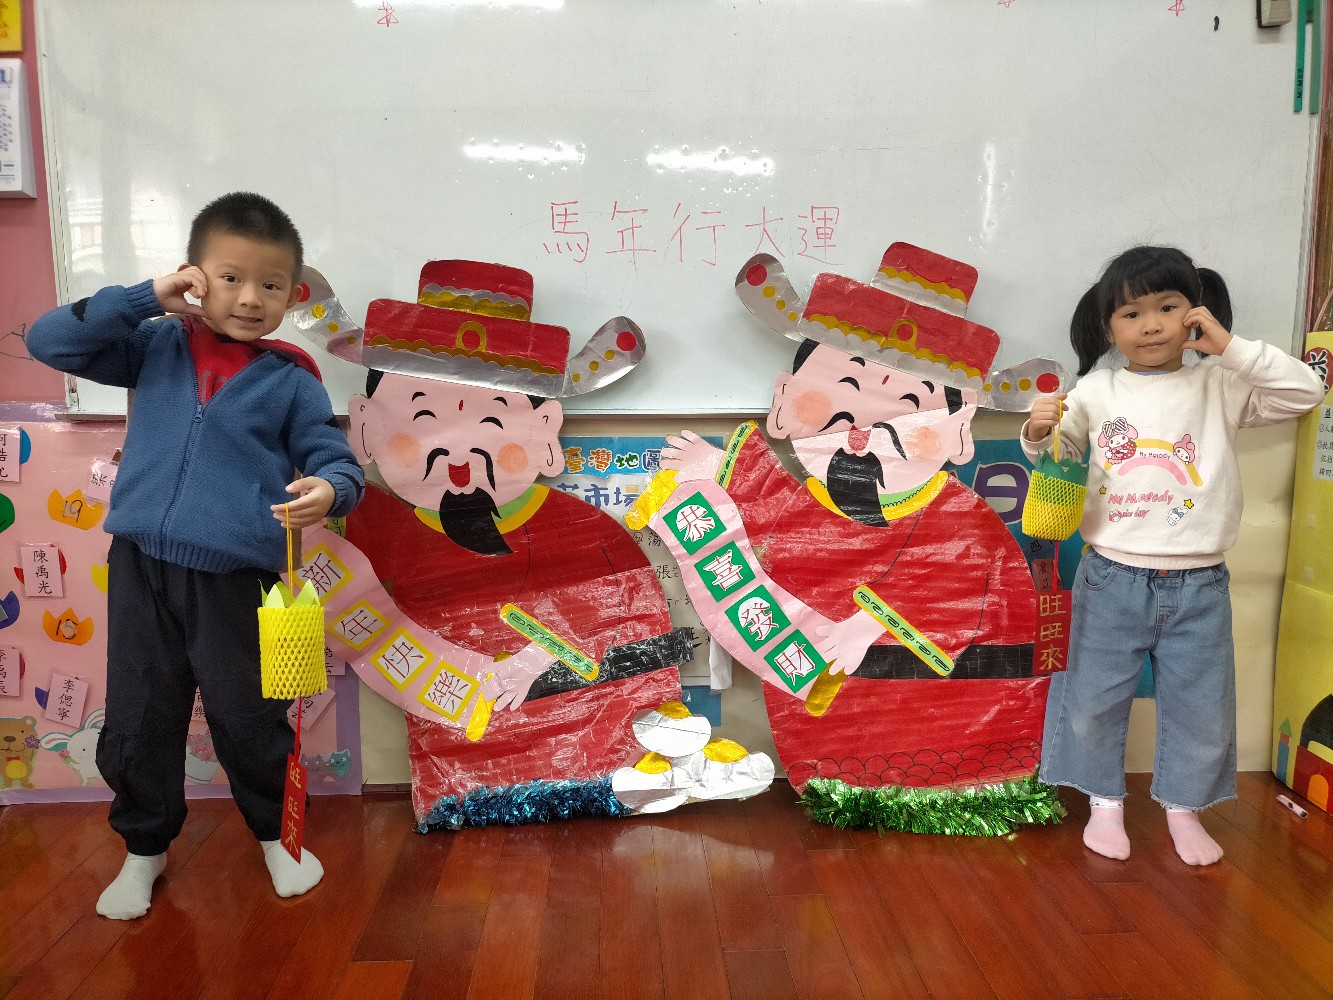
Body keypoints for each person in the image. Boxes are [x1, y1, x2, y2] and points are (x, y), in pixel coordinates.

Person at [27, 192, 365, 917]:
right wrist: (144, 298)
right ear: (194, 277)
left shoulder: (290, 377)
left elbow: (332, 457)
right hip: (140, 565)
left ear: (292, 296)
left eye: (271, 285)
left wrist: (330, 489)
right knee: (141, 712)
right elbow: (50, 342)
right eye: (231, 278)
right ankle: (143, 849)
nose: (250, 299)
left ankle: (277, 837)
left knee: (250, 714)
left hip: (236, 577)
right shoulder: (155, 344)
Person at [1021, 245, 1324, 865]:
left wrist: (1229, 347)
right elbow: (1058, 455)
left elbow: (1306, 391)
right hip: (1111, 576)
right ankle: (1105, 804)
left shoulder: (1222, 382)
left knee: (1201, 708)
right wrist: (1037, 430)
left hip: (1199, 583)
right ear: (1108, 327)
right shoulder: (1095, 389)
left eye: (1168, 307)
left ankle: (1184, 811)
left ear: (1196, 313)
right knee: (1093, 700)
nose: (1152, 325)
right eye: (1131, 314)